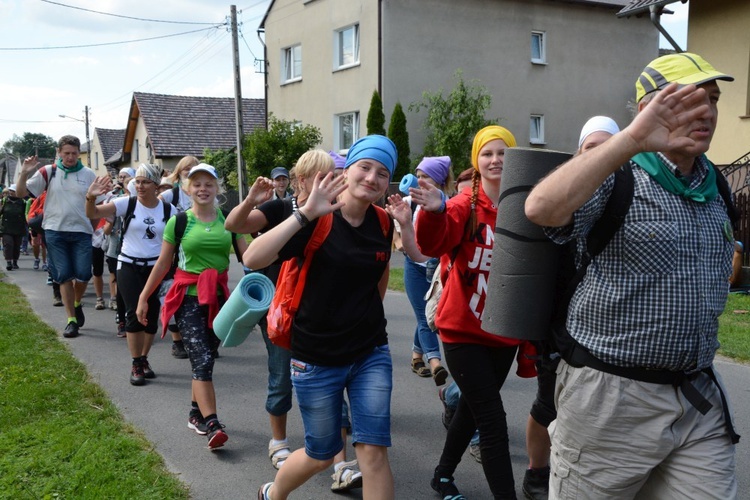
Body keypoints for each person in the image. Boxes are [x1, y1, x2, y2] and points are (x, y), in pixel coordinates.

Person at [525, 52, 738, 499]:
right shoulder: (616, 173)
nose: (707, 113)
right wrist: (632, 140)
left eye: (713, 100)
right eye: (689, 102)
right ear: (647, 111)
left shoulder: (715, 185)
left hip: (695, 396)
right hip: (609, 398)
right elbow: (540, 209)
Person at [247, 135, 397, 500]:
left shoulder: (383, 223)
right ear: (348, 171)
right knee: (319, 454)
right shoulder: (317, 215)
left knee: (373, 452)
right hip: (316, 358)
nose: (372, 178)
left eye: (382, 172)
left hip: (369, 353)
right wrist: (304, 214)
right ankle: (274, 493)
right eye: (365, 167)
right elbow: (253, 259)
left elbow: (378, 277)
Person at [225, 150, 364, 492]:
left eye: (335, 175)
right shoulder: (281, 209)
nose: (333, 182)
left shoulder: (339, 211)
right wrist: (250, 201)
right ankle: (278, 441)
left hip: (323, 313)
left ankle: (340, 462)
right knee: (280, 376)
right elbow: (234, 226)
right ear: (302, 181)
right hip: (279, 308)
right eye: (323, 176)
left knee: (335, 385)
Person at [412, 125, 523, 499]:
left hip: (504, 332)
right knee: (492, 419)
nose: (495, 160)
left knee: (474, 410)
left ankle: (441, 476)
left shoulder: (524, 207)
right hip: (461, 330)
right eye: (487, 153)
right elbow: (432, 244)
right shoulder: (463, 205)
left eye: (502, 153)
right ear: (476, 161)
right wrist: (432, 213)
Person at [135, 163, 230, 450]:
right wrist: (143, 297)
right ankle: (212, 423)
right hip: (188, 298)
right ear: (187, 189)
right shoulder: (179, 222)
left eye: (209, 184)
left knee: (208, 356)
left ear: (217, 189)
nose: (203, 188)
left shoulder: (229, 219)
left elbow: (249, 255)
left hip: (219, 298)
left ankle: (194, 412)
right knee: (201, 359)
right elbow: (164, 263)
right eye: (197, 183)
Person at [85, 163, 177, 385]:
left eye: (145, 182)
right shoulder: (127, 203)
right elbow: (94, 214)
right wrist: (90, 197)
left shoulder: (169, 210)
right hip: (128, 265)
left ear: (156, 185)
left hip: (157, 268)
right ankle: (135, 362)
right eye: (138, 181)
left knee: (152, 317)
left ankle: (144, 359)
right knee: (135, 315)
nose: (140, 186)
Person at [15, 135, 99, 338]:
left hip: (81, 232)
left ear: (79, 153)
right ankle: (71, 320)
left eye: (74, 153)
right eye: (66, 153)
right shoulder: (48, 171)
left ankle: (77, 302)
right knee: (63, 276)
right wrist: (24, 174)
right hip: (55, 231)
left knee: (83, 274)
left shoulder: (89, 174)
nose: (70, 157)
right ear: (59, 153)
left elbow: (96, 207)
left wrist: (91, 227)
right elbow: (19, 194)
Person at [388, 156, 453, 385]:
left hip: (439, 270)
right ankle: (435, 362)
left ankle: (417, 357)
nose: (420, 181)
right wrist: (399, 241)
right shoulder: (409, 201)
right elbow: (395, 228)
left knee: (427, 314)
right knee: (426, 316)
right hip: (414, 268)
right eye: (419, 176)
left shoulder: (451, 203)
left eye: (426, 177)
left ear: (440, 180)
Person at [158, 155, 200, 359]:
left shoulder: (203, 194)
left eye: (194, 170)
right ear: (179, 174)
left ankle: (200, 338)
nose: (190, 174)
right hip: (174, 253)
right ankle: (177, 341)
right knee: (170, 294)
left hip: (196, 253)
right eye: (186, 171)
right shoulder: (169, 196)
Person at [0, 185, 27, 270]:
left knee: (16, 245)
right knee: (8, 244)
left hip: (19, 227)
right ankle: (8, 262)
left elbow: (26, 214)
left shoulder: (23, 202)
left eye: (14, 191)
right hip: (6, 227)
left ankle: (15, 261)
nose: (12, 192)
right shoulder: (4, 201)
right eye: (11, 190)